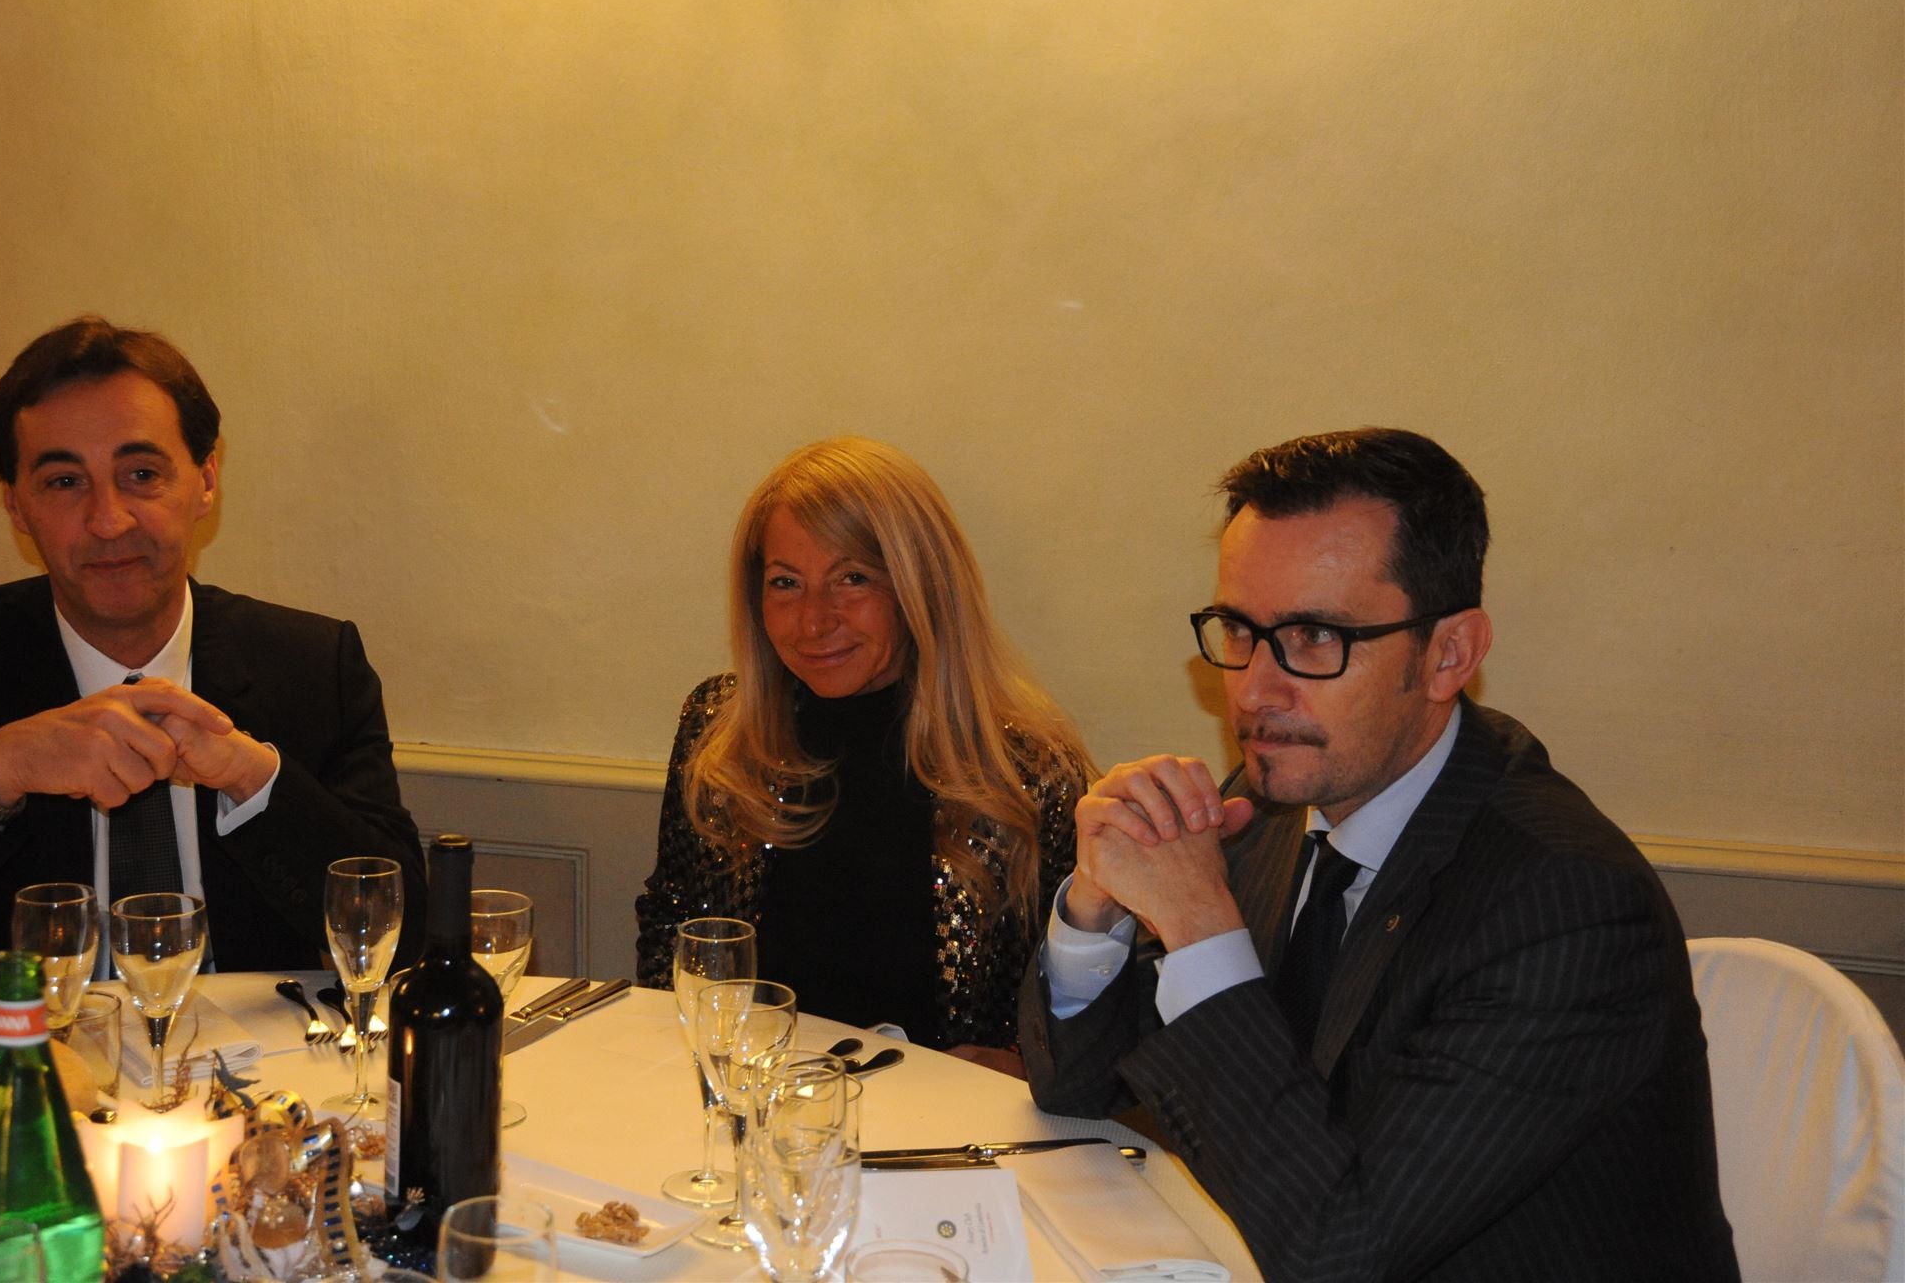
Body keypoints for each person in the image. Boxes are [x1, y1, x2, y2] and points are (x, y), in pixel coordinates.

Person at [1021, 428, 1739, 1282]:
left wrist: (1200, 924)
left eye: (1315, 635)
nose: (1254, 688)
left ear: (1449, 655)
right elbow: (1080, 1092)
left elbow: (1340, 1253)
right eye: (1240, 629)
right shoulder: (1282, 805)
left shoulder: (1566, 906)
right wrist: (1094, 908)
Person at [0, 317, 427, 1033]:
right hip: (32, 1077)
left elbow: (408, 951)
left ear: (205, 480)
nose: (109, 521)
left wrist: (255, 781)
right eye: (64, 482)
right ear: (15, 503)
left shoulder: (313, 664)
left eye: (141, 475)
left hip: (259, 1081)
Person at [635, 437, 1093, 1071]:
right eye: (785, 583)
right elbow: (672, 933)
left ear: (920, 587)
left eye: (852, 579)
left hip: (944, 1119)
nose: (813, 621)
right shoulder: (718, 731)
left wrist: (1026, 1064)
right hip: (756, 1097)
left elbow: (1076, 1007)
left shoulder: (1025, 767)